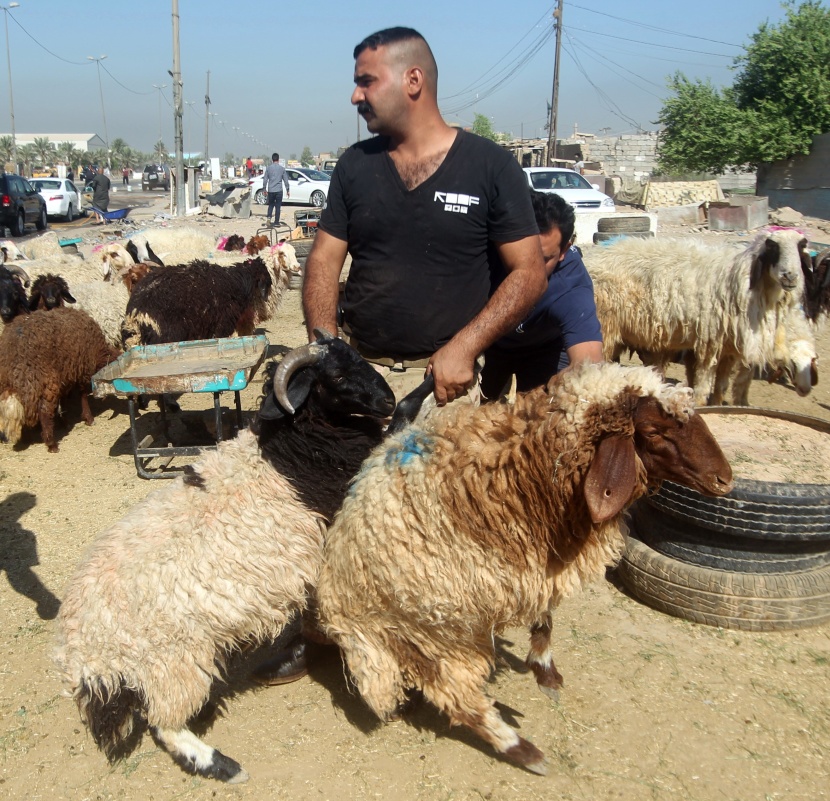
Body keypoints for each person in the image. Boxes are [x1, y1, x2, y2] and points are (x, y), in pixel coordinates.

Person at [302, 26, 547, 408]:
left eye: (367, 82)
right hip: (360, 379)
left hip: (446, 387)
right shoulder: (354, 165)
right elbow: (322, 259)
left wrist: (466, 346)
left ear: (413, 80)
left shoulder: (490, 165)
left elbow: (529, 272)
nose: (355, 96)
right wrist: (328, 349)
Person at [480, 190, 604, 399]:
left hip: (544, 348)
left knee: (541, 415)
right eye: (522, 254)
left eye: (543, 258)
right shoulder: (484, 257)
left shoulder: (571, 288)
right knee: (473, 417)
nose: (530, 267)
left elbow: (589, 367)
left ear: (565, 250)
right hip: (486, 341)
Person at [262, 152, 290, 226]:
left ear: (272, 160)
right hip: (279, 190)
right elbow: (286, 180)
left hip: (271, 190)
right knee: (278, 206)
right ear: (278, 160)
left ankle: (268, 218)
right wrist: (288, 190)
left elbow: (265, 180)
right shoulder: (282, 169)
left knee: (271, 205)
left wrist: (264, 189)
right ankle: (277, 222)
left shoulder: (268, 169)